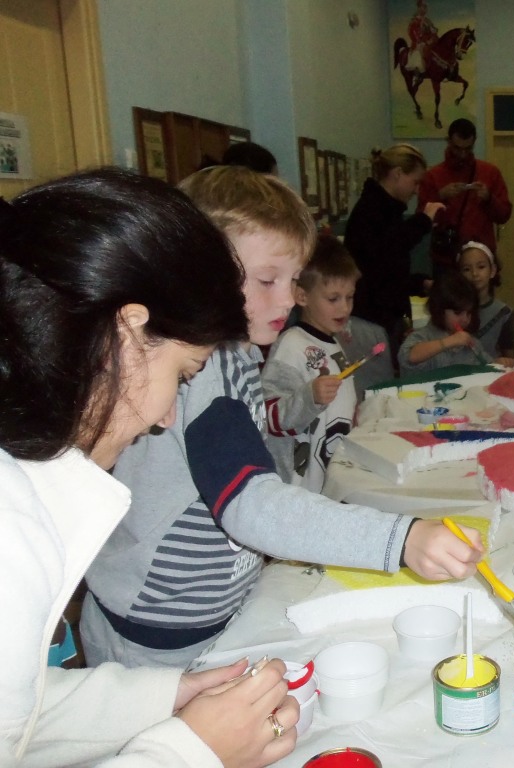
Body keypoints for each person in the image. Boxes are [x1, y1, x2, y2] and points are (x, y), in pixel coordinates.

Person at [82, 166, 481, 670]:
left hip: (206, 615)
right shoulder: (206, 369)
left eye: (293, 281)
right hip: (154, 634)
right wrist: (401, 538)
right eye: (267, 280)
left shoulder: (238, 352)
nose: (288, 298)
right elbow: (249, 502)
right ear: (197, 270)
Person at [0, 167, 300, 766]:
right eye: (183, 374)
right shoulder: (11, 535)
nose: (166, 418)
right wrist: (191, 753)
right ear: (128, 333)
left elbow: (16, 714)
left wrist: (160, 699)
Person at [263, 235, 368, 492]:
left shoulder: (333, 343)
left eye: (350, 297)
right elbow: (269, 417)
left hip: (330, 478)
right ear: (302, 296)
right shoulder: (291, 345)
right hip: (298, 488)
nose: (345, 308)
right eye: (333, 299)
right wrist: (309, 396)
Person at [347, 143, 443, 372]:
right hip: (372, 317)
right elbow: (382, 259)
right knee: (381, 376)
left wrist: (419, 283)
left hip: (385, 313)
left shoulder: (388, 209)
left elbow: (389, 268)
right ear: (398, 173)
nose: (416, 190)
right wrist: (423, 221)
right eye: (415, 182)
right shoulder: (371, 210)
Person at [417, 119, 512, 275]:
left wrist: (489, 199)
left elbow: (504, 215)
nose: (462, 154)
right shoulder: (433, 176)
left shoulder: (490, 173)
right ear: (449, 142)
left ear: (474, 143)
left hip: (480, 257)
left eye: (468, 148)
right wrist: (440, 196)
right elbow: (421, 219)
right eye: (457, 148)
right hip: (446, 258)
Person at [398, 270, 490, 374]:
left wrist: (498, 363)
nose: (465, 319)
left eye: (469, 313)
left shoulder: (472, 343)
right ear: (439, 310)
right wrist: (448, 342)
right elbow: (409, 356)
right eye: (457, 312)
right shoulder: (422, 336)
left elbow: (487, 364)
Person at [458, 241, 514, 367]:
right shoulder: (453, 309)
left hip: (491, 371)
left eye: (481, 267)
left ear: (492, 270)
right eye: (467, 269)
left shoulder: (503, 312)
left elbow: (509, 355)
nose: (474, 273)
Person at [406, 0, 437, 74]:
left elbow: (433, 30)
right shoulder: (414, 20)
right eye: (424, 6)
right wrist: (421, 41)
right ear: (419, 8)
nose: (425, 9)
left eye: (426, 7)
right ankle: (417, 73)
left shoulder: (427, 20)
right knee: (418, 52)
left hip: (430, 41)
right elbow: (412, 32)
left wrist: (434, 32)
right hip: (419, 42)